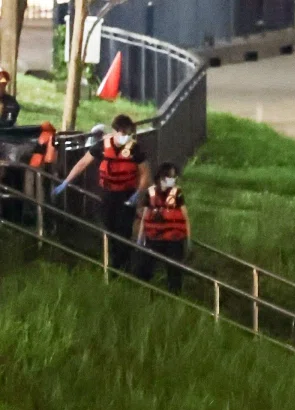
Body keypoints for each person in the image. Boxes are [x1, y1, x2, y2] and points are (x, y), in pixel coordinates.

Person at [52, 114, 150, 272]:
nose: (126, 137)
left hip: (127, 195)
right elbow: (83, 162)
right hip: (108, 194)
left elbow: (145, 173)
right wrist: (66, 182)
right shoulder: (102, 146)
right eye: (123, 133)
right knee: (109, 229)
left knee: (124, 230)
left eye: (128, 133)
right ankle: (113, 263)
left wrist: (138, 193)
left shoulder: (135, 149)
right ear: (115, 131)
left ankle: (122, 265)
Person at [133, 163, 191, 294]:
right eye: (171, 176)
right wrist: (140, 238)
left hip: (174, 238)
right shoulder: (150, 192)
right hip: (154, 237)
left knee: (174, 270)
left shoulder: (177, 193)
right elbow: (145, 216)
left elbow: (185, 216)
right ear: (162, 177)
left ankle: (174, 294)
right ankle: (141, 291)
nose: (174, 179)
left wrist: (188, 239)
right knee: (145, 266)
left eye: (175, 177)